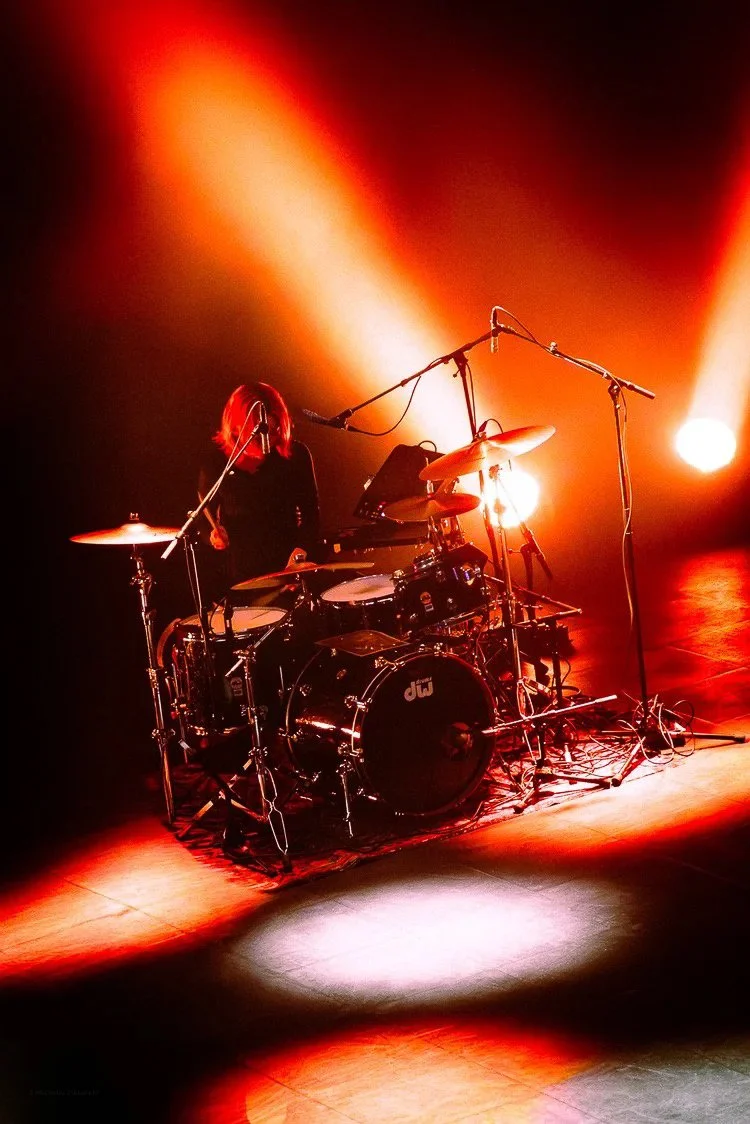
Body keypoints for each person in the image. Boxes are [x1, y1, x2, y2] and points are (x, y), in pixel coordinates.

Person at [198, 381, 323, 597]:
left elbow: (312, 513)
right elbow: (202, 517)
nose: (268, 439)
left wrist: (302, 549)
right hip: (240, 580)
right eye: (259, 433)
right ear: (237, 426)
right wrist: (212, 535)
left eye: (275, 431)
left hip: (288, 571)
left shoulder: (296, 455)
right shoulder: (216, 461)